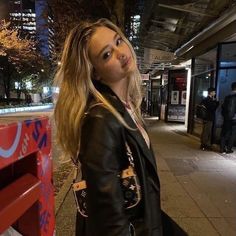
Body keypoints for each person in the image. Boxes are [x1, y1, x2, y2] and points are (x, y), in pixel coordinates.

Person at [54, 19, 188, 236]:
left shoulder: (126, 108)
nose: (121, 53)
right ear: (95, 73)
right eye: (107, 55)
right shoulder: (101, 119)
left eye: (118, 42)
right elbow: (108, 219)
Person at [220, 82, 236, 154]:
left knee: (224, 133)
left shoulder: (227, 97)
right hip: (234, 119)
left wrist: (225, 116)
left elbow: (223, 108)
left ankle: (222, 149)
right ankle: (229, 149)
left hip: (227, 118)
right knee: (232, 134)